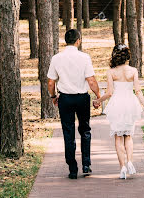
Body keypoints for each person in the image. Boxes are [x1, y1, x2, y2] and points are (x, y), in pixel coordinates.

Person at [93, 43, 144, 180]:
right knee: (128, 135)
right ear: (127, 56)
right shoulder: (133, 71)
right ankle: (130, 162)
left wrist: (98, 101)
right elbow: (138, 91)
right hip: (130, 104)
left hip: (117, 105)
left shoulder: (111, 72)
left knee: (118, 137)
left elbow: (109, 93)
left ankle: (122, 168)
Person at [47, 29, 100, 179]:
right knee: (85, 130)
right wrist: (98, 96)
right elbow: (91, 80)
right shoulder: (84, 57)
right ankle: (86, 164)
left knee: (68, 133)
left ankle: (72, 168)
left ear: (66, 41)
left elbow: (51, 82)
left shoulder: (56, 58)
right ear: (78, 40)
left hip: (65, 99)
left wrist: (53, 96)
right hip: (82, 98)